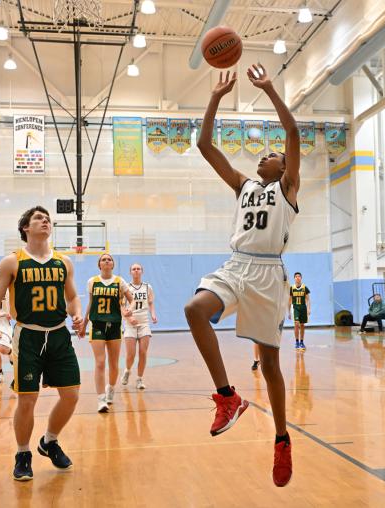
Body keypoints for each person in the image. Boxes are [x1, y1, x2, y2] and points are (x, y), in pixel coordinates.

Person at [183, 65, 298, 487]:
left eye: (273, 153)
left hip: (269, 274)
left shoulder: (287, 187)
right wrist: (215, 96)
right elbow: (204, 144)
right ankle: (227, 397)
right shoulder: (243, 184)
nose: (265, 154)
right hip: (237, 263)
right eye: (264, 152)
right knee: (195, 308)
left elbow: (293, 135)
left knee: (270, 365)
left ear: (283, 167)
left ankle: (282, 440)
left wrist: (269, 89)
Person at [0, 206, 84, 482]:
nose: (45, 221)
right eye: (38, 218)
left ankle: (49, 441)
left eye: (47, 219)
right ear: (25, 227)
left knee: (71, 395)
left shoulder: (63, 262)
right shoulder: (12, 261)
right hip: (28, 335)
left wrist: (76, 313)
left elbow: (73, 297)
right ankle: (23, 453)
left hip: (59, 334)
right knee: (27, 399)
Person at [80, 253, 135, 413]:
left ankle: (111, 388)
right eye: (103, 259)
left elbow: (131, 301)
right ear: (99, 265)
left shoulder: (120, 281)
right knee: (99, 362)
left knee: (113, 363)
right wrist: (84, 324)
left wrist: (128, 311)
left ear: (112, 264)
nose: (107, 261)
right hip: (97, 325)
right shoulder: (92, 281)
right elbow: (90, 304)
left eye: (109, 259)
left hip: (114, 326)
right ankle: (101, 399)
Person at [121, 263, 157, 391]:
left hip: (144, 324)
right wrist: (129, 318)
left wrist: (153, 315)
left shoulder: (148, 287)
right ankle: (127, 370)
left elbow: (151, 303)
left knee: (143, 352)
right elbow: (122, 307)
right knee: (131, 354)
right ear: (130, 272)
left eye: (138, 269)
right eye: (133, 269)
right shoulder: (126, 288)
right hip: (130, 325)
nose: (136, 271)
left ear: (142, 271)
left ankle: (139, 379)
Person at [289, 272, 310, 350]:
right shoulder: (292, 288)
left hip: (303, 308)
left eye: (299, 276)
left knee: (302, 325)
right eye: (296, 276)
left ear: (301, 278)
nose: (297, 277)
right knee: (296, 324)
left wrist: (308, 308)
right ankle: (297, 342)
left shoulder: (305, 288)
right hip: (295, 308)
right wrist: (288, 312)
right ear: (294, 278)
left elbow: (308, 299)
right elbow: (289, 300)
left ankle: (302, 342)